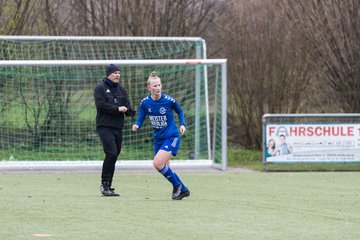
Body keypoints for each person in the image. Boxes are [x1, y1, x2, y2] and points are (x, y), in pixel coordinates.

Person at [131, 71, 190, 200]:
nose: (158, 88)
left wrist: (182, 124)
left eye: (159, 85)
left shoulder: (169, 101)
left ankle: (177, 186)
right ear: (149, 88)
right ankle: (183, 189)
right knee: (166, 168)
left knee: (157, 163)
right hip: (158, 139)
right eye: (155, 86)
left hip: (171, 136)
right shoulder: (145, 102)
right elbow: (141, 117)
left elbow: (180, 111)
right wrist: (137, 125)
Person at [94, 64, 135, 197]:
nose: (118, 75)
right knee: (111, 153)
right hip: (104, 126)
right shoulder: (100, 88)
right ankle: (104, 185)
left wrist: (130, 111)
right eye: (115, 73)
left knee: (115, 155)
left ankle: (108, 185)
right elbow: (101, 105)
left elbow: (127, 106)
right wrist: (117, 109)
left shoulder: (122, 90)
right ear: (108, 74)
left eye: (119, 73)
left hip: (118, 127)